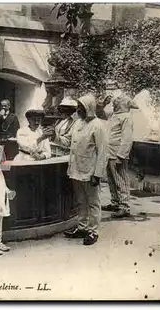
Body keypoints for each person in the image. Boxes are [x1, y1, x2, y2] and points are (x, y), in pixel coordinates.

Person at [63, 94, 108, 246]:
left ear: (88, 108)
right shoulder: (77, 123)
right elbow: (68, 141)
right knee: (81, 201)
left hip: (90, 172)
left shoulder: (98, 126)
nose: (77, 109)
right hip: (76, 169)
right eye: (78, 106)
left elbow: (103, 152)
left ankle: (93, 231)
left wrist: (97, 174)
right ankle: (82, 228)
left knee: (93, 202)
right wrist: (55, 136)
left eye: (80, 107)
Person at [102, 92, 138, 218]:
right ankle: (115, 202)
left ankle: (124, 206)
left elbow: (127, 138)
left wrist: (121, 155)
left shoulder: (126, 117)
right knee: (112, 179)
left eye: (118, 100)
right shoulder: (114, 115)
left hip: (117, 153)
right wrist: (103, 103)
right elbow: (98, 113)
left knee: (121, 179)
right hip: (109, 152)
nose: (115, 102)